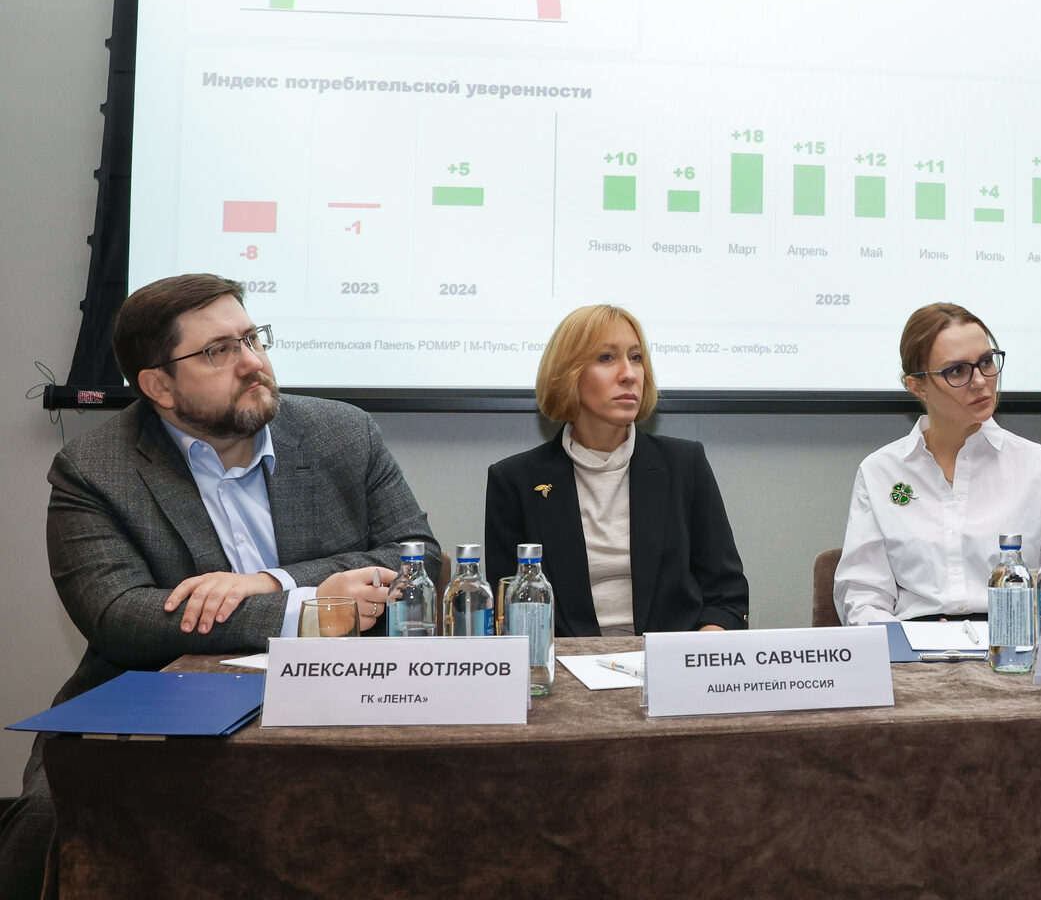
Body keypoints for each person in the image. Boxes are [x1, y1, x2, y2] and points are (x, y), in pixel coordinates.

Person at [0, 273, 439, 900]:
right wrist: (309, 610)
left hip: (344, 689)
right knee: (48, 823)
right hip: (158, 697)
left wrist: (269, 583)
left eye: (252, 339)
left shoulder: (342, 431)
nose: (252, 362)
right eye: (217, 351)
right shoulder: (94, 469)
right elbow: (119, 616)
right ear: (158, 386)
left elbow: (419, 557)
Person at [833, 302, 1041, 624]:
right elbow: (862, 597)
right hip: (914, 645)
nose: (980, 381)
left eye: (986, 362)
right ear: (917, 386)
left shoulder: (1039, 466)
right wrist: (902, 644)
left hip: (1014, 641)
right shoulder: (880, 472)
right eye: (957, 371)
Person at [483, 305, 748, 636]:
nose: (629, 374)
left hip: (668, 658)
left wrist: (699, 648)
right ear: (568, 374)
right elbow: (509, 612)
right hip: (562, 662)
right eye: (607, 358)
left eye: (636, 358)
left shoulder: (684, 465)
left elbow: (727, 596)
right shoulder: (515, 480)